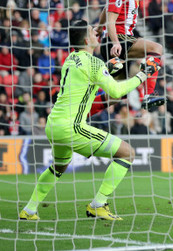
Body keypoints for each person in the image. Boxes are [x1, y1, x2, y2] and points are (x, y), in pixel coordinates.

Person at [19, 20, 161, 221]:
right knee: (127, 153)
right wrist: (143, 74)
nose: (97, 34)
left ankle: (29, 209)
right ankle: (98, 204)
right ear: (87, 40)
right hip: (72, 127)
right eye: (93, 33)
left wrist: (108, 70)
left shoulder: (71, 59)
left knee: (58, 167)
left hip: (53, 125)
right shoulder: (93, 63)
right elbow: (117, 91)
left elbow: (88, 81)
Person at [96, 0, 164, 111]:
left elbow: (108, 10)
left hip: (117, 41)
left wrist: (99, 27)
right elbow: (111, 20)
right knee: (157, 48)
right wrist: (115, 42)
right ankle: (149, 95)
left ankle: (84, 110)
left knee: (115, 96)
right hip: (120, 40)